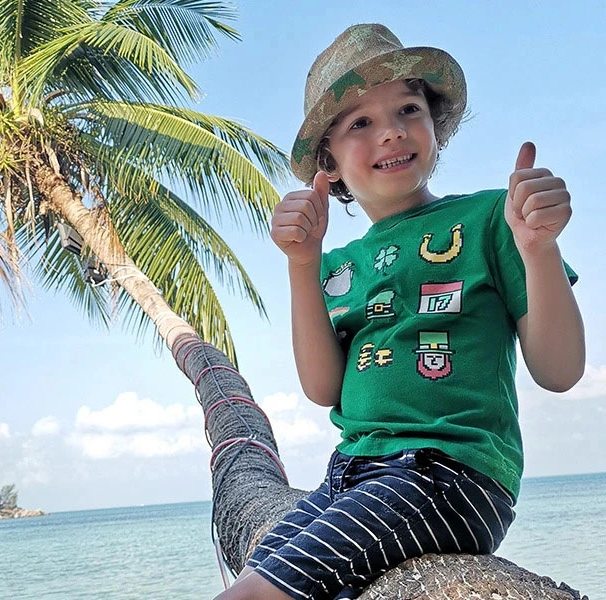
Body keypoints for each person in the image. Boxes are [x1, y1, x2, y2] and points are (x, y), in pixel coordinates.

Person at [213, 23, 585, 600]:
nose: (391, 132)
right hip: (348, 473)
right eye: (360, 123)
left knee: (255, 595)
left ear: (435, 127)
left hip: (447, 471)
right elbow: (323, 386)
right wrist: (300, 265)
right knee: (263, 567)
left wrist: (539, 249)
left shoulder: (492, 218)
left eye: (408, 109)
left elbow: (559, 371)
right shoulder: (337, 264)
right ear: (328, 163)